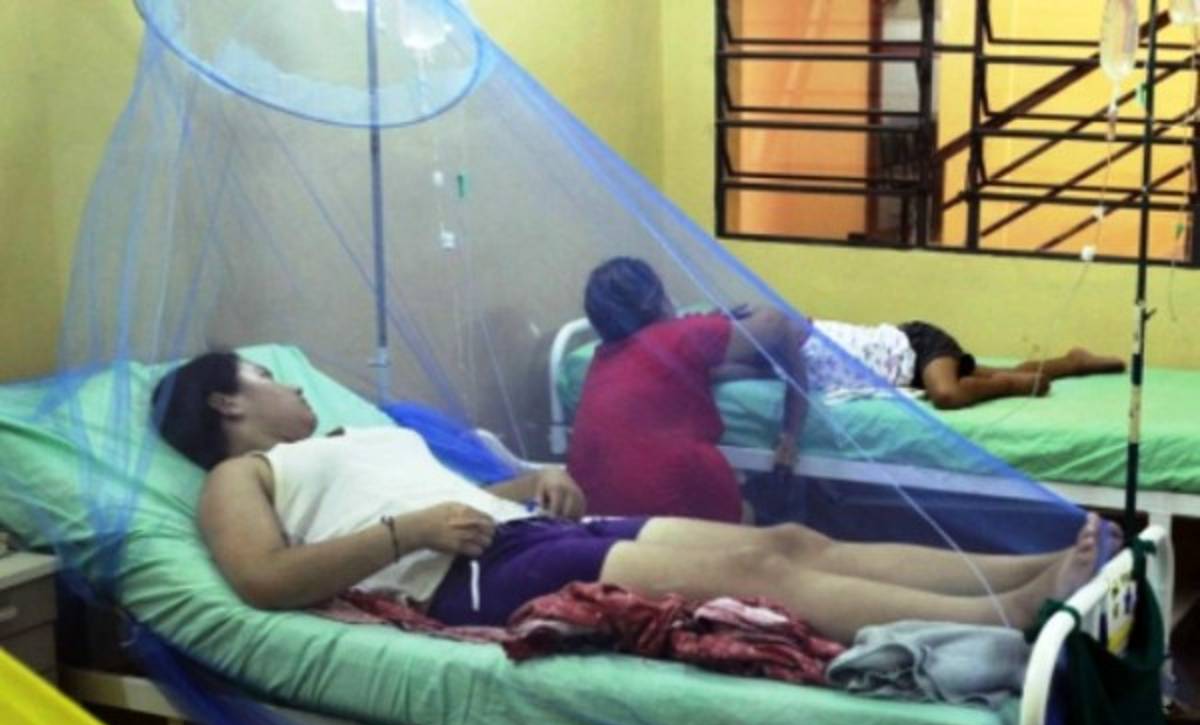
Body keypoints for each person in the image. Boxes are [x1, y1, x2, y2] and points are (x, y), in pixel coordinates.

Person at [151, 351, 1112, 646]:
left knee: (788, 535)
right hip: (470, 577)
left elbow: (452, 496)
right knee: (762, 568)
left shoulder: (347, 439)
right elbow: (263, 580)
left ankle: (1024, 570)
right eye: (265, 375)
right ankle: (1014, 615)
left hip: (515, 528)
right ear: (227, 403)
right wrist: (410, 531)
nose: (290, 382)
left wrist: (524, 484)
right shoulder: (239, 476)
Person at [567, 256, 808, 524]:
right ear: (656, 301)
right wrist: (791, 431)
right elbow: (776, 322)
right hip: (677, 502)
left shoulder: (601, 362)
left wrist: (755, 367)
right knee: (769, 509)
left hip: (596, 514)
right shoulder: (678, 335)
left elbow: (698, 375)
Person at [808, 319, 1126, 410]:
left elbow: (796, 375)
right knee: (1012, 370)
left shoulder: (782, 325)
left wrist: (789, 440)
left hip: (915, 345)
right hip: (906, 375)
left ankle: (1008, 387)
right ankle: (1074, 362)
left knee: (947, 395)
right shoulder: (772, 348)